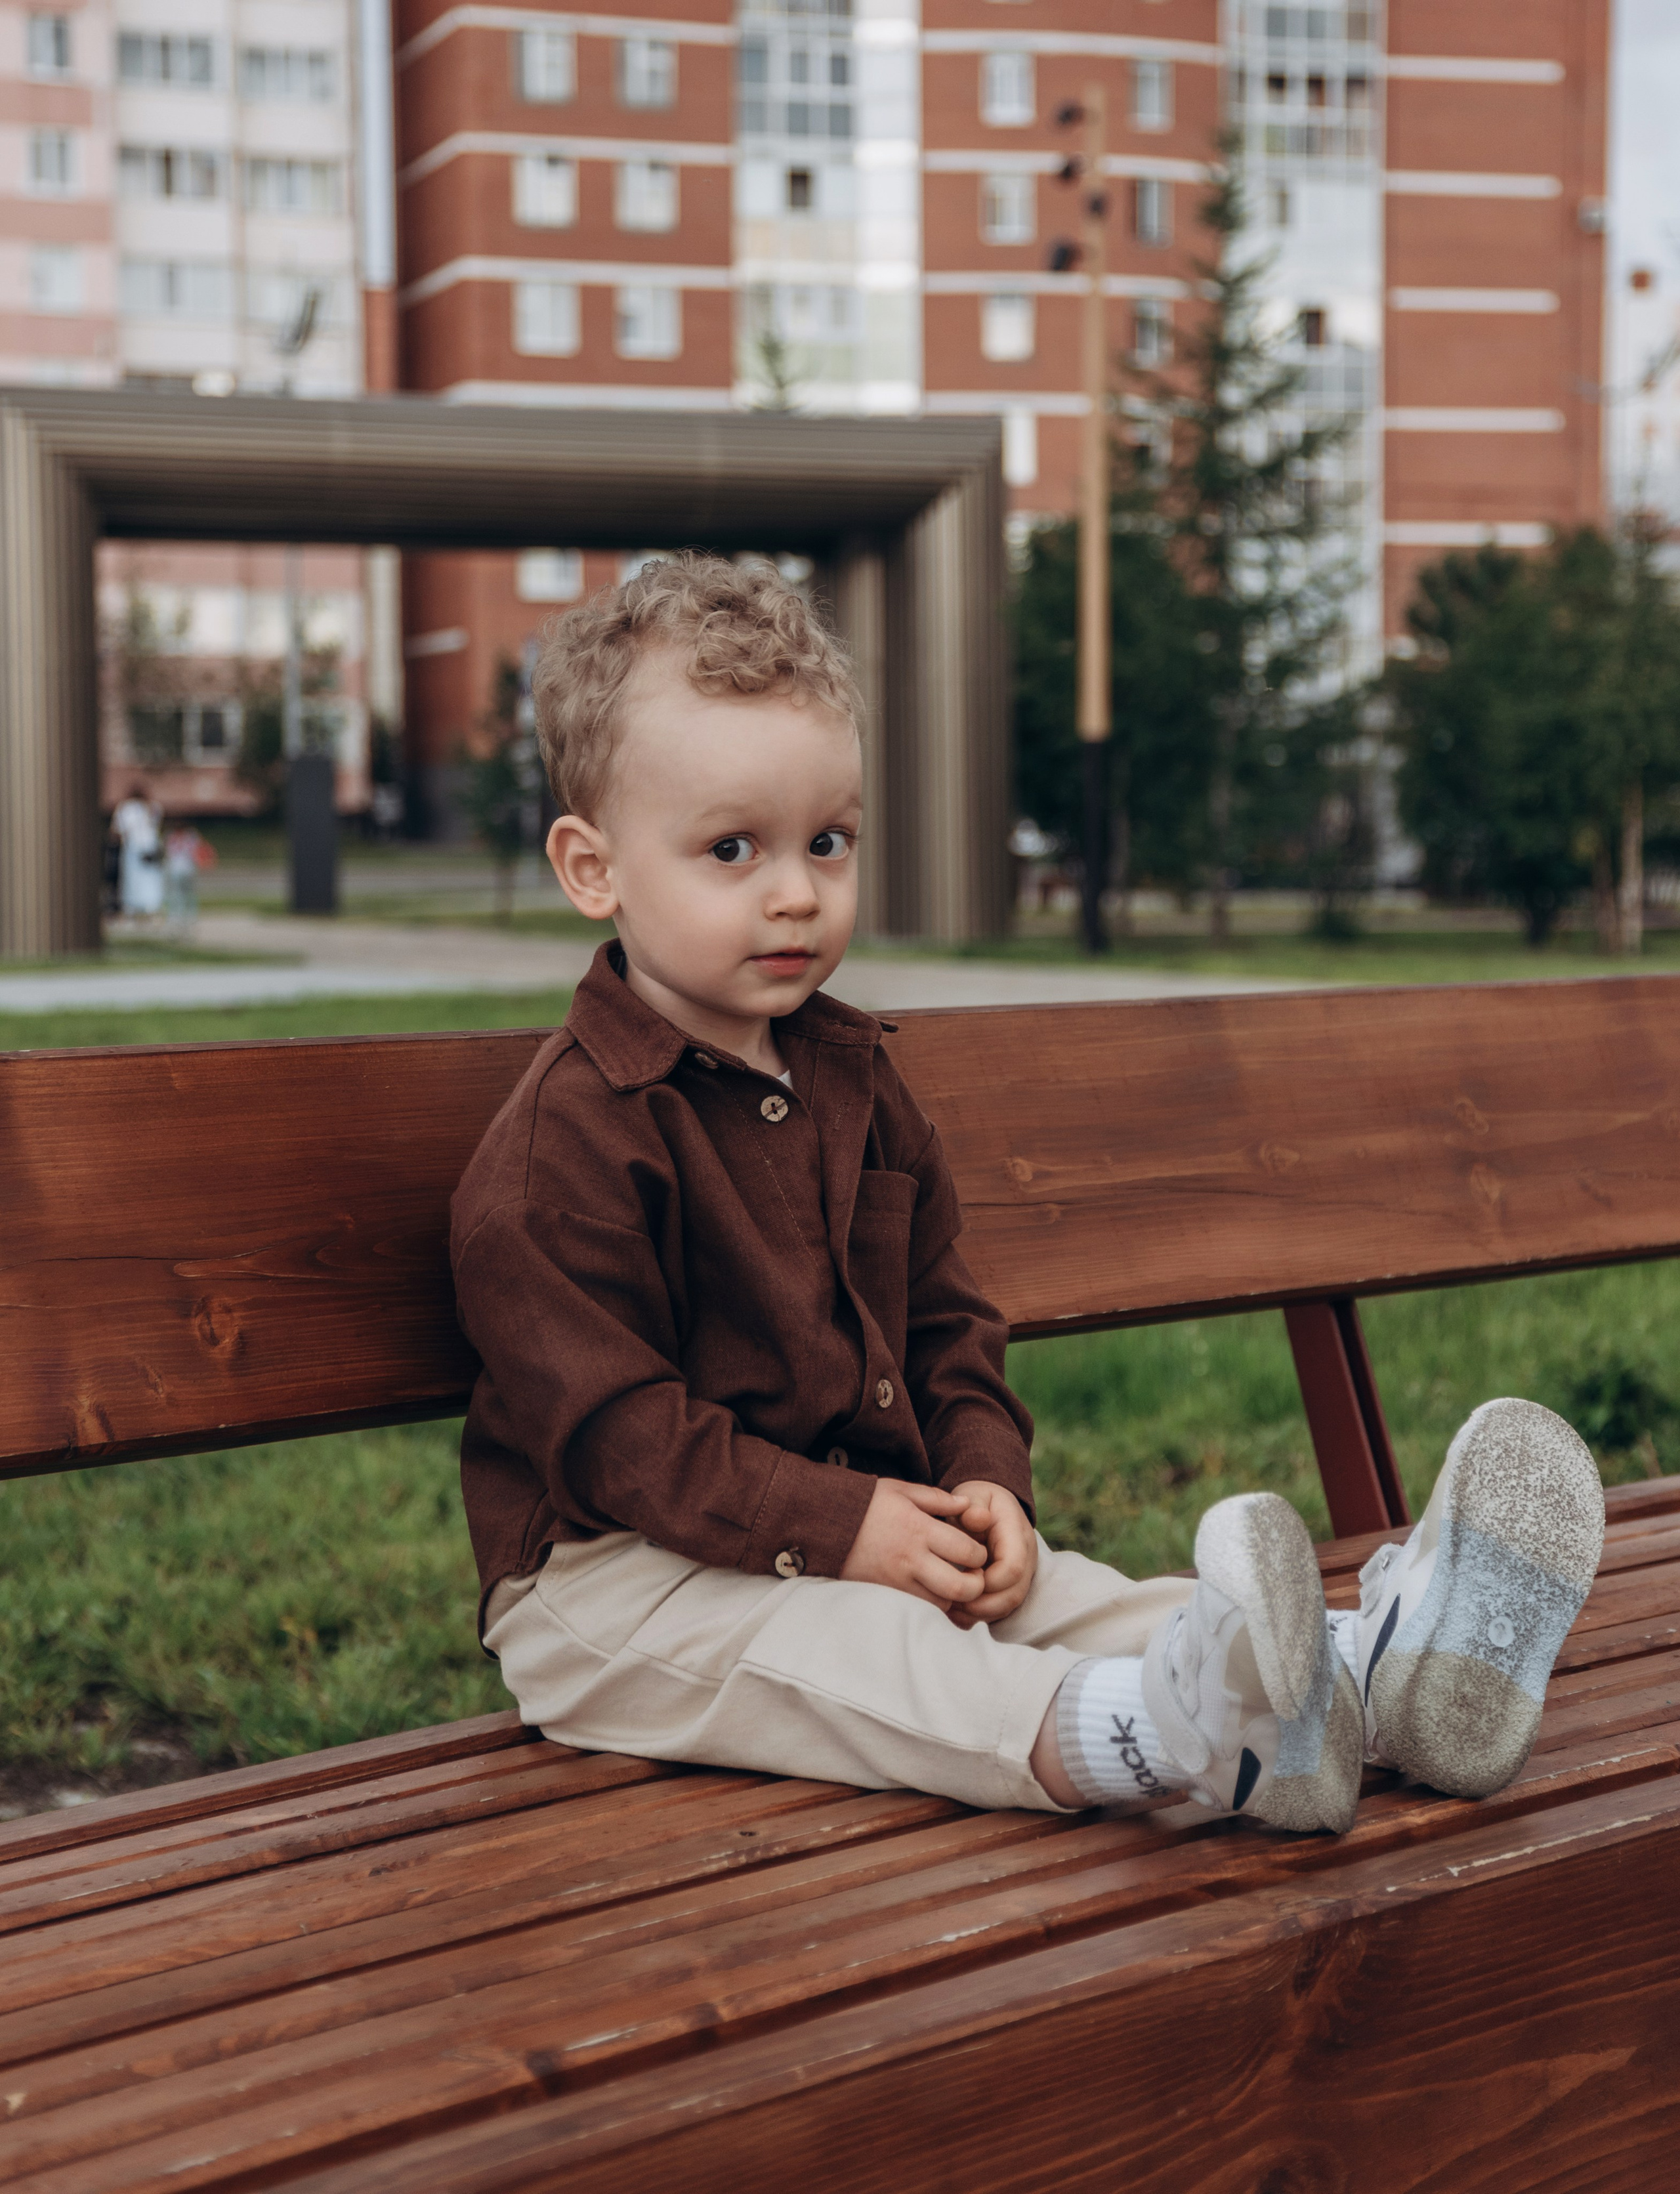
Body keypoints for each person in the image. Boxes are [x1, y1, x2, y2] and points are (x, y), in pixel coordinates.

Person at [450, 556, 1604, 1828]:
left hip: (864, 1528)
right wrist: (841, 1526)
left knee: (1077, 1597)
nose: (795, 889)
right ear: (590, 867)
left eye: (826, 841)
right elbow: (619, 1438)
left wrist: (983, 1478)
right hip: (615, 1585)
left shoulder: (856, 1082)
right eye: (732, 848)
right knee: (872, 1658)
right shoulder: (567, 1143)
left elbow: (948, 1320)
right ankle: (1160, 1739)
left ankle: (1368, 1671)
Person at [112, 784, 165, 921]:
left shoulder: (127, 808)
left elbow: (118, 829)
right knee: (149, 878)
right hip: (147, 845)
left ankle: (133, 907)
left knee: (133, 878)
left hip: (135, 846)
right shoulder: (151, 806)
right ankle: (149, 907)